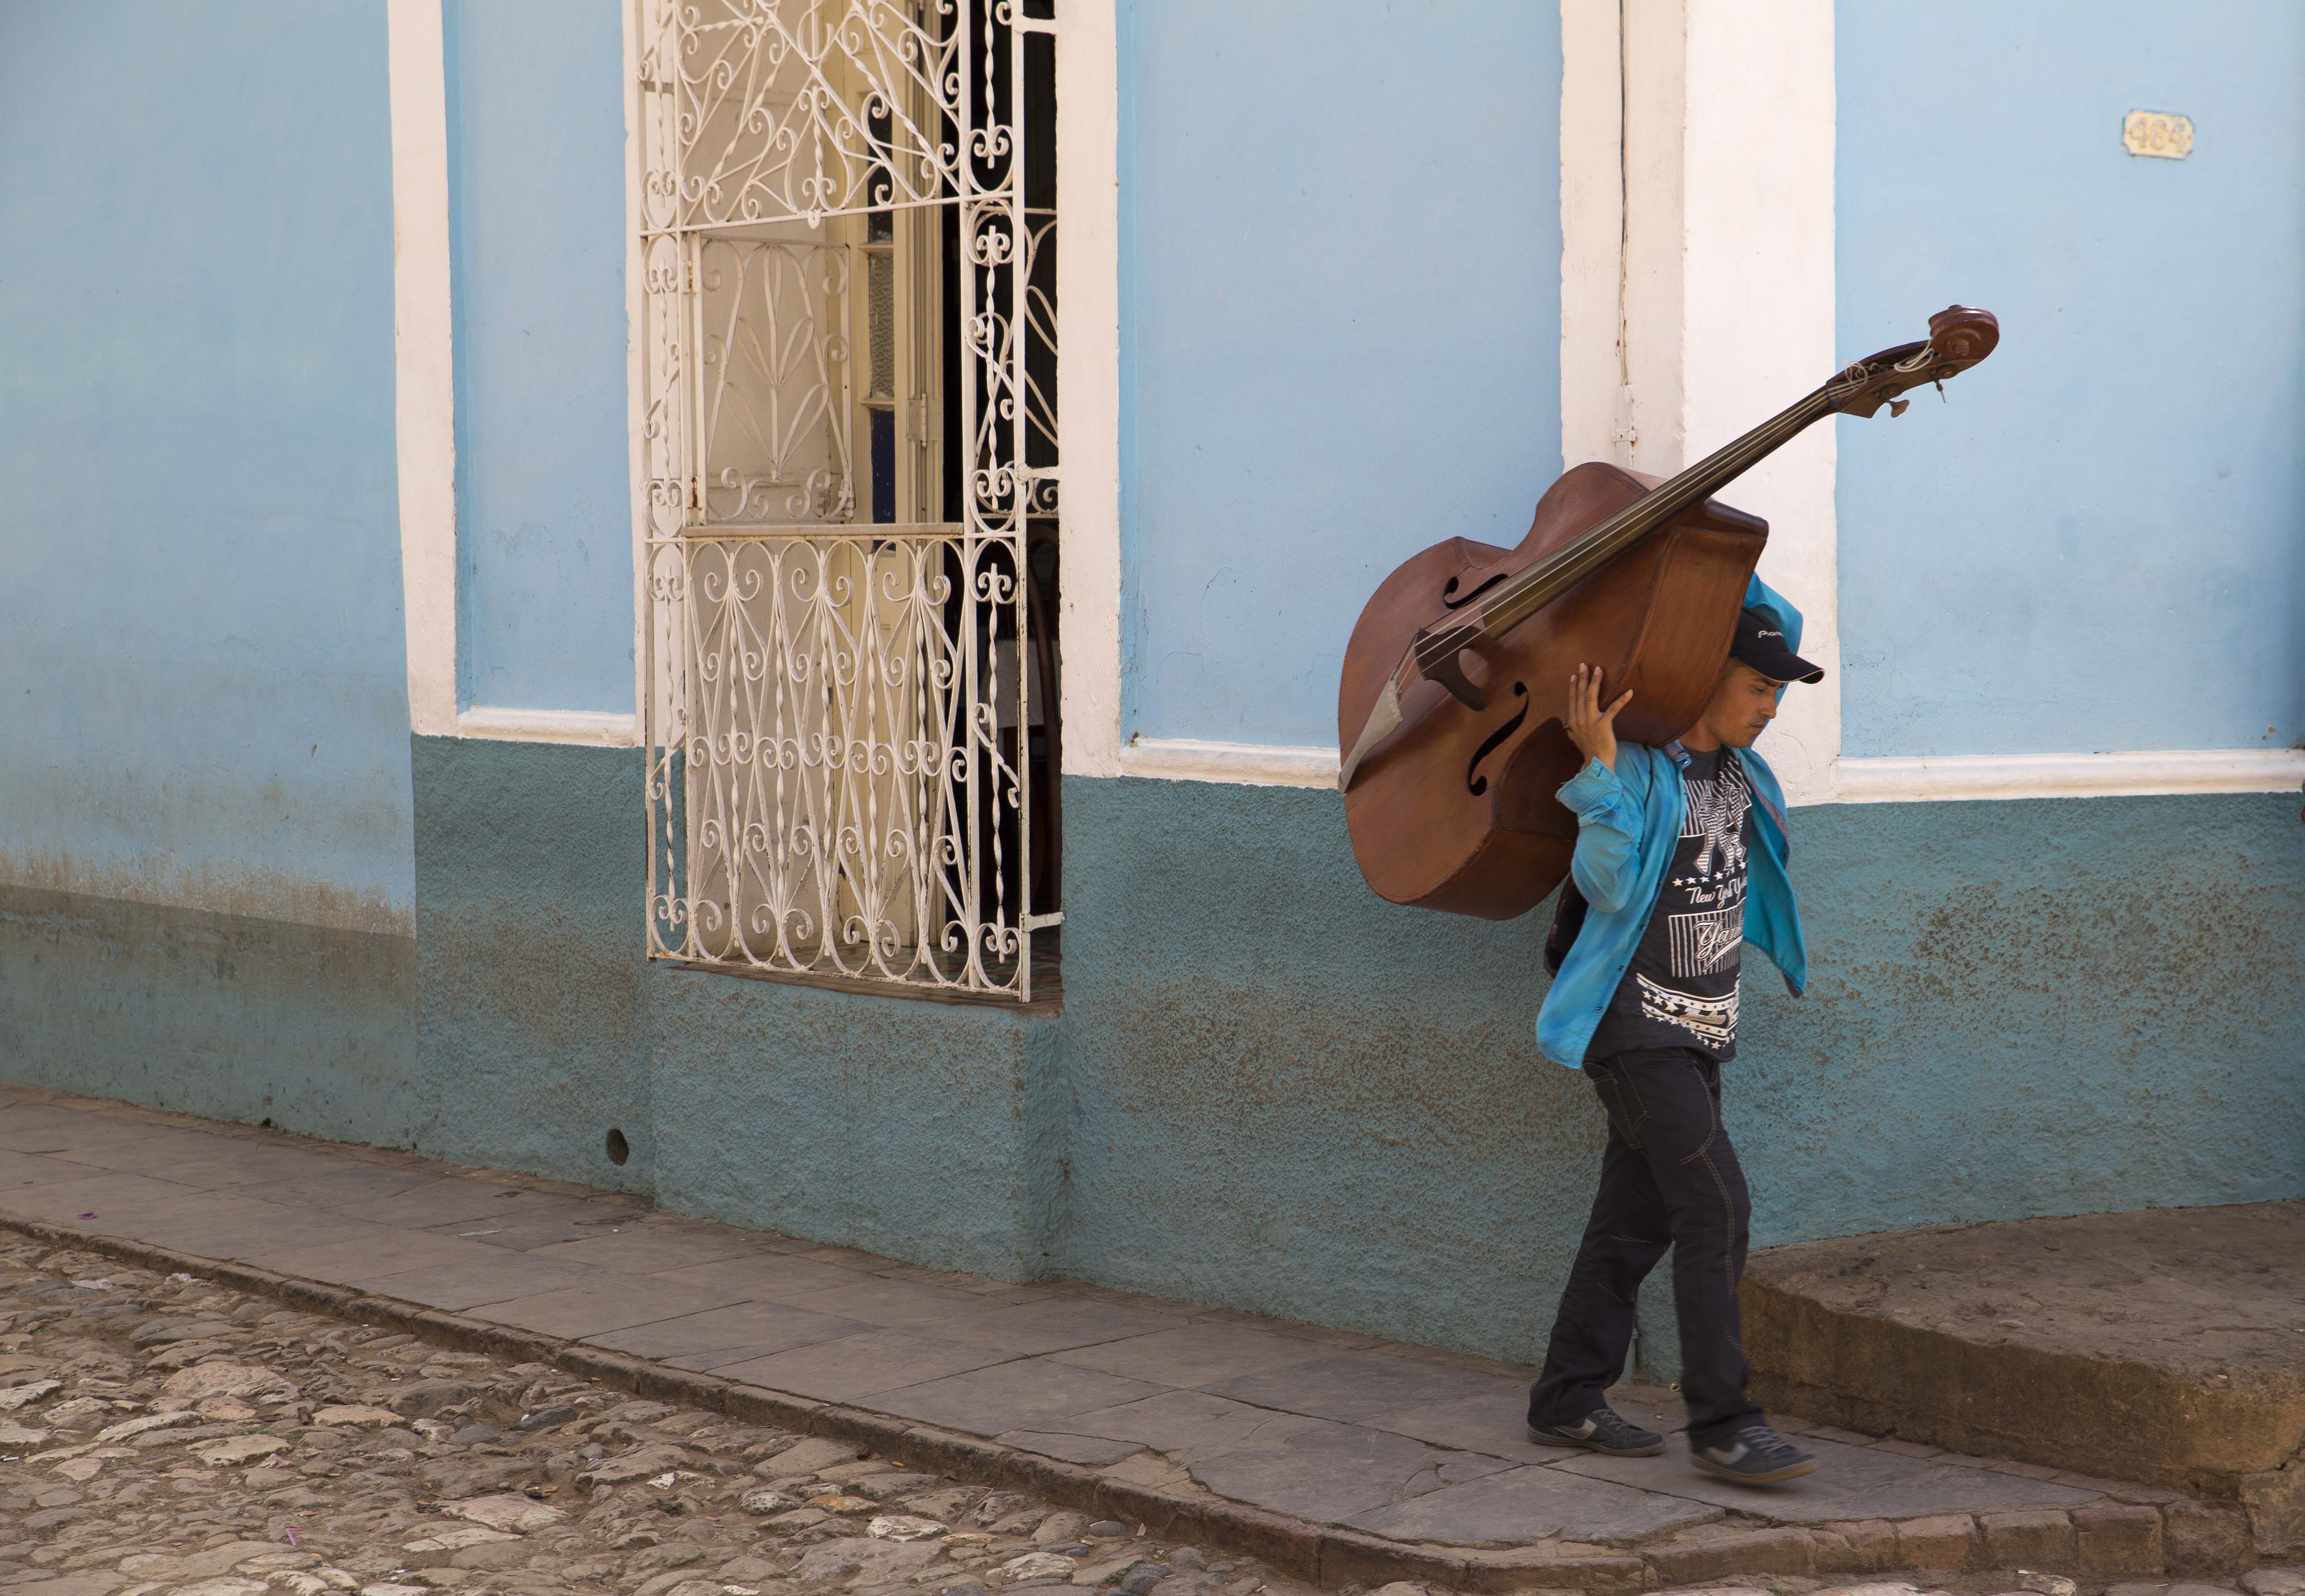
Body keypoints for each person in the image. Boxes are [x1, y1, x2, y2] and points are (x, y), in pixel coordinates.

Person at [1522, 575, 1823, 1485]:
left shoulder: (1741, 774)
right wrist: (1601, 767)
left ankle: (1566, 1397)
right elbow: (1609, 888)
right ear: (1703, 681)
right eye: (1756, 686)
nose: (1770, 708)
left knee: (1633, 1223)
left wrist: (1726, 576)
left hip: (1700, 1031)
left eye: (1778, 692)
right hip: (1633, 1028)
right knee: (1717, 1205)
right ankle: (1725, 1423)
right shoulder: (1639, 775)